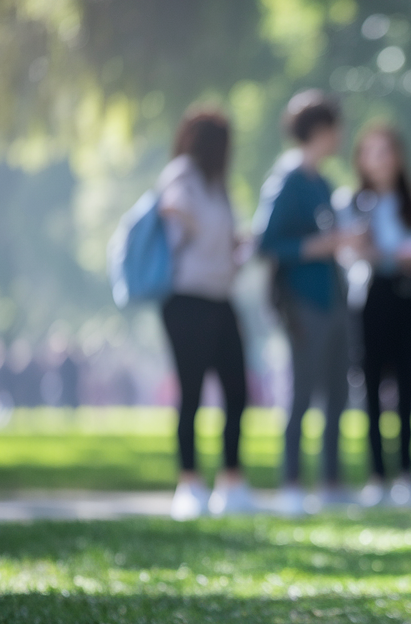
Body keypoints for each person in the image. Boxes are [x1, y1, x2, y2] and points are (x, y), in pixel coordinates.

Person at [255, 90, 363, 516]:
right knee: (300, 394)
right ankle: (292, 482)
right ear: (320, 130)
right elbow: (268, 242)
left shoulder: (323, 182)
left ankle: (332, 480)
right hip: (303, 303)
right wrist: (323, 245)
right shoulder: (288, 180)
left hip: (335, 300)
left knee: (338, 394)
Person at [158, 107, 255, 521]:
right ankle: (189, 482)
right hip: (186, 299)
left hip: (220, 297)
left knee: (237, 391)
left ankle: (231, 480)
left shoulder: (218, 185)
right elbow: (172, 207)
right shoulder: (183, 174)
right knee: (192, 392)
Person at [343, 125, 411, 506]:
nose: (380, 160)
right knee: (374, 388)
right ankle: (377, 474)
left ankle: (407, 473)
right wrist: (385, 255)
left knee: (408, 389)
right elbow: (352, 253)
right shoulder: (354, 203)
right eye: (372, 152)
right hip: (373, 297)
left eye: (387, 152)